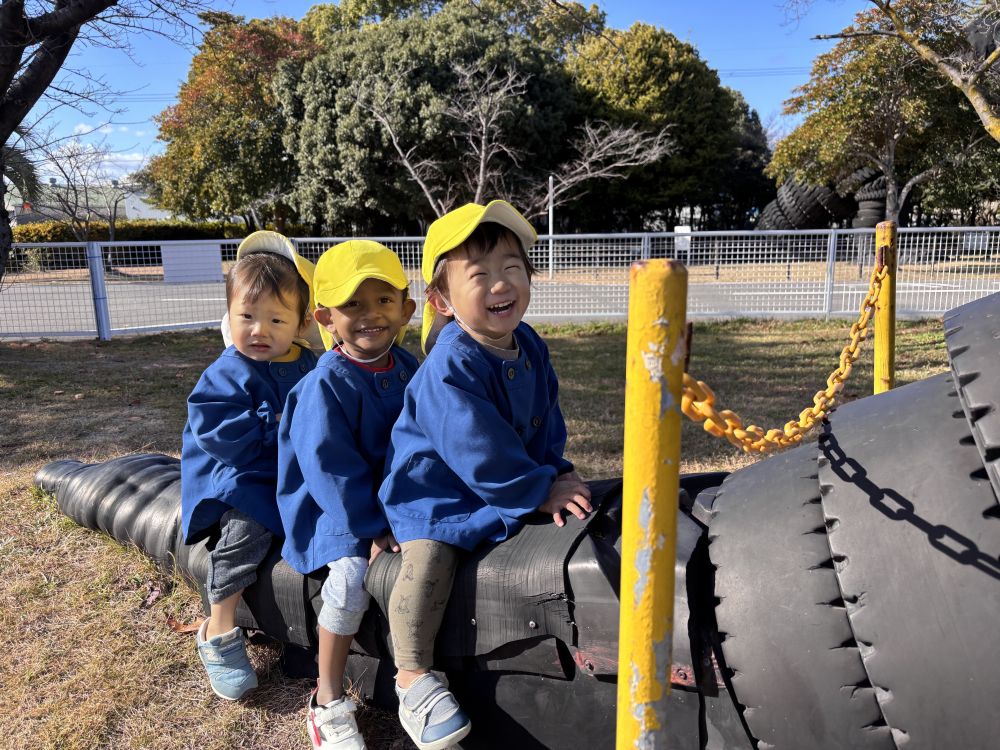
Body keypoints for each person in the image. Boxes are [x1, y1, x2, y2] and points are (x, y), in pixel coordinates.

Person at [379, 200, 592, 750]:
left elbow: (545, 418)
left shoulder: (530, 345)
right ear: (442, 300)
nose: (501, 284)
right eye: (480, 275)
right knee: (429, 559)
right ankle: (413, 676)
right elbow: (475, 448)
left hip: (501, 481)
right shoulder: (449, 365)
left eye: (513, 268)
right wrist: (535, 488)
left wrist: (553, 471)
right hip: (436, 493)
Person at [277, 240, 418, 750]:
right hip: (331, 509)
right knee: (354, 576)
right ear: (325, 318)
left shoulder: (409, 367)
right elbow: (329, 471)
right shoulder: (324, 385)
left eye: (383, 301)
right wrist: (375, 525)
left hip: (392, 501)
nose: (370, 315)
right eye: (352, 305)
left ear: (407, 308)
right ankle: (328, 696)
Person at [180, 243, 317, 701]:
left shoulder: (308, 365)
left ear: (302, 324)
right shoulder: (227, 372)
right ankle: (218, 629)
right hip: (240, 476)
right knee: (247, 532)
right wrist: (276, 428)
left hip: (292, 474)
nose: (260, 330)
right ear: (229, 316)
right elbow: (220, 433)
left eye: (276, 320)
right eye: (247, 317)